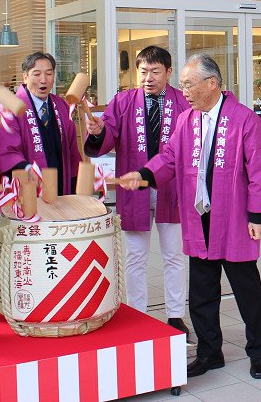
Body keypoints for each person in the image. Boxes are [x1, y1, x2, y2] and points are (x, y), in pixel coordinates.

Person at [118, 54, 261, 381]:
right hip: (199, 217)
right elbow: (169, 157)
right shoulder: (186, 120)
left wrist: (258, 215)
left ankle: (258, 353)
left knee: (246, 290)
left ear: (212, 84)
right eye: (182, 85)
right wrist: (144, 174)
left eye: (189, 85)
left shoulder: (244, 120)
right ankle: (210, 353)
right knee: (201, 293)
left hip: (234, 218)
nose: (184, 92)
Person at [83, 46, 192, 342]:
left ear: (169, 72)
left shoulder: (183, 102)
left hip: (172, 190)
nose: (148, 78)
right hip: (134, 189)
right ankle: (138, 315)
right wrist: (98, 131)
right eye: (143, 72)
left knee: (174, 256)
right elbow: (108, 134)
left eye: (155, 72)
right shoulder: (123, 101)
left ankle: (175, 315)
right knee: (135, 257)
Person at [0, 52, 81, 195]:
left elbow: (72, 152)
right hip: (27, 191)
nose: (43, 80)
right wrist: (25, 169)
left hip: (60, 189)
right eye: (37, 74)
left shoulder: (61, 106)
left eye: (49, 74)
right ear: (25, 77)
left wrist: (75, 187)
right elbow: (6, 151)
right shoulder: (10, 109)